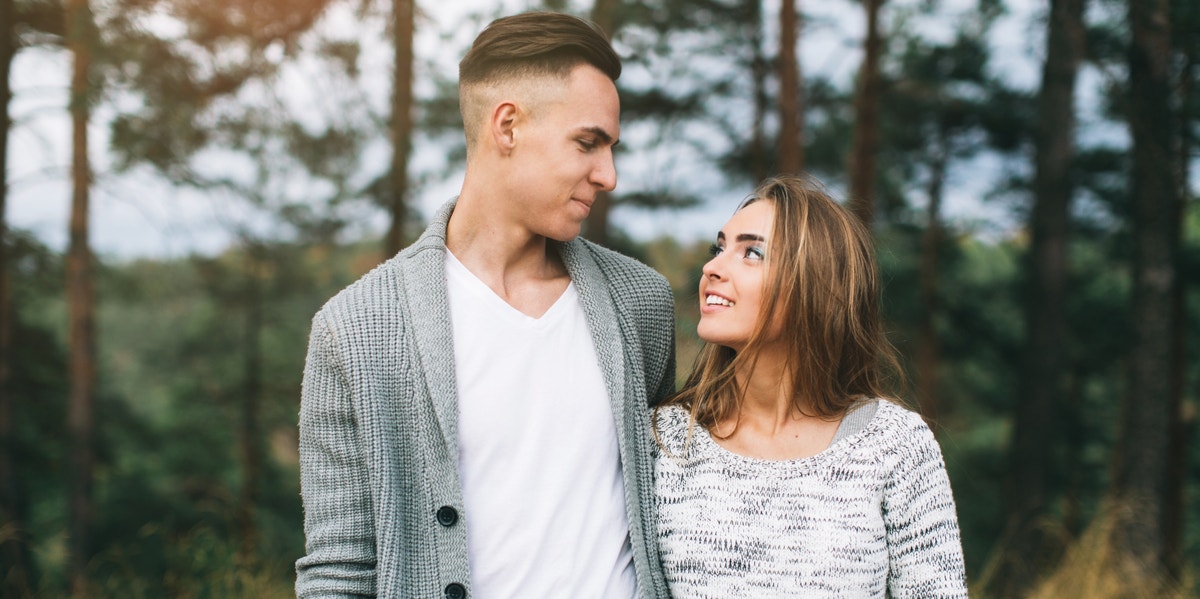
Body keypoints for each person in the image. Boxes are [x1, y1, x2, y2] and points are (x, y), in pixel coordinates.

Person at [294, 12, 676, 599]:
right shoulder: (356, 329)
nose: (609, 175)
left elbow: (668, 515)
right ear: (507, 126)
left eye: (611, 148)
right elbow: (338, 571)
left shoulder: (640, 304)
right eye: (588, 142)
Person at [653, 175, 968, 598]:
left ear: (813, 286)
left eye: (752, 253)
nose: (712, 267)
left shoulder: (894, 445)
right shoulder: (666, 439)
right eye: (719, 247)